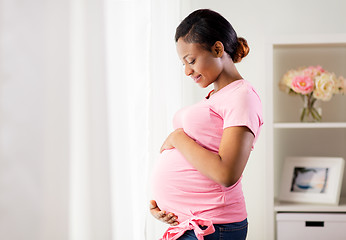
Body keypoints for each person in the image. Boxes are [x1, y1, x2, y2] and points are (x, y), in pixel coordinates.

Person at [150, 9, 263, 240]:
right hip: (194, 224)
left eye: (191, 60)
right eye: (183, 63)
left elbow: (226, 173)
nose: (187, 71)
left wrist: (177, 138)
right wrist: (170, 208)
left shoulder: (242, 96)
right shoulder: (218, 96)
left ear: (218, 49)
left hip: (214, 226)